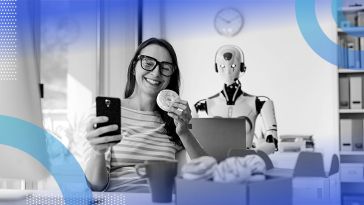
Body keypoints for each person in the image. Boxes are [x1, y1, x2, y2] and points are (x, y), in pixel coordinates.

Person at [85, 38, 206, 192]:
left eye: (165, 67)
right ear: (134, 67)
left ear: (171, 75)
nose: (156, 73)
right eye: (148, 63)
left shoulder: (174, 120)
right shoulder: (109, 112)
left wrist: (184, 133)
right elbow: (96, 186)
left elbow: (209, 172)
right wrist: (98, 151)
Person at [194, 44, 278, 154]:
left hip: (246, 163)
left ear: (242, 67)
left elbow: (273, 144)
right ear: (217, 68)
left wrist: (254, 154)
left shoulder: (260, 103)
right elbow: (191, 141)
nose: (228, 71)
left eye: (233, 66)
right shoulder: (201, 106)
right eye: (222, 66)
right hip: (216, 164)